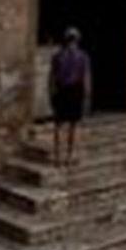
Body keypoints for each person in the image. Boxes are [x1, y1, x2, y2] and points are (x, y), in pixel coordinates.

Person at [47, 27, 91, 166]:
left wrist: (51, 94)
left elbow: (51, 78)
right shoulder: (82, 56)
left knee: (59, 125)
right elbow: (86, 77)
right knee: (74, 125)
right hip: (75, 90)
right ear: (77, 40)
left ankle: (57, 156)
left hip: (61, 90)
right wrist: (87, 95)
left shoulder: (57, 56)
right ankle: (70, 156)